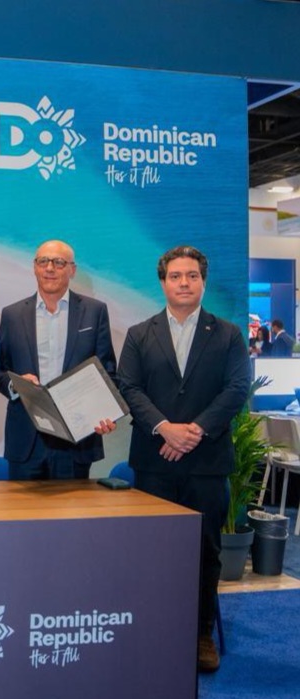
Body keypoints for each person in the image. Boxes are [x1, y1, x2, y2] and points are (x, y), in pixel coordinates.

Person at [117, 245, 249, 673]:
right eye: (175, 276)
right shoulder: (140, 334)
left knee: (205, 551)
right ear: (163, 283)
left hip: (206, 463)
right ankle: (154, 629)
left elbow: (236, 388)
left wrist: (194, 431)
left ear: (203, 282)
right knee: (152, 551)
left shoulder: (228, 334)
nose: (184, 283)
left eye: (192, 275)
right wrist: (164, 428)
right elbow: (128, 387)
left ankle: (200, 635)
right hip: (154, 462)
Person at [0, 239, 117, 480]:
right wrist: (15, 385)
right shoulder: (12, 315)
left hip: (77, 437)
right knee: (22, 505)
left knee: (72, 505)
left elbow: (107, 371)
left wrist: (105, 412)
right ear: (35, 267)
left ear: (72, 270)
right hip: (26, 439)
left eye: (59, 262)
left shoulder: (95, 311)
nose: (50, 268)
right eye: (43, 261)